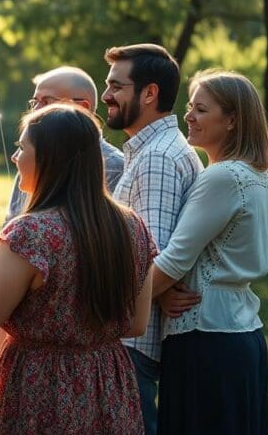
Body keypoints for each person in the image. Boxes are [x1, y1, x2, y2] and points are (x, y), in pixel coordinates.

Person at [0, 105, 156, 434]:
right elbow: (136, 323)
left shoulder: (33, 233)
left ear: (49, 158)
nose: (15, 158)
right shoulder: (132, 227)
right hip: (107, 384)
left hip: (42, 386)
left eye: (22, 148)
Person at [151, 71, 268, 434]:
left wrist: (122, 300)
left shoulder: (224, 177)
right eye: (190, 106)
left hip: (207, 341)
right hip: (241, 335)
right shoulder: (255, 175)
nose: (188, 115)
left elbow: (175, 260)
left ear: (232, 119)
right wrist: (160, 298)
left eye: (201, 109)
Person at [101, 43, 203, 435]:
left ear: (149, 93)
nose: (106, 95)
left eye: (116, 86)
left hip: (132, 342)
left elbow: (149, 256)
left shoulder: (157, 156)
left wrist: (148, 295)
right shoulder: (151, 150)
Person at [7, 65, 124, 218]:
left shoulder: (115, 166)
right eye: (35, 102)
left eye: (46, 102)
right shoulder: (31, 158)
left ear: (82, 108)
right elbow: (11, 223)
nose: (36, 110)